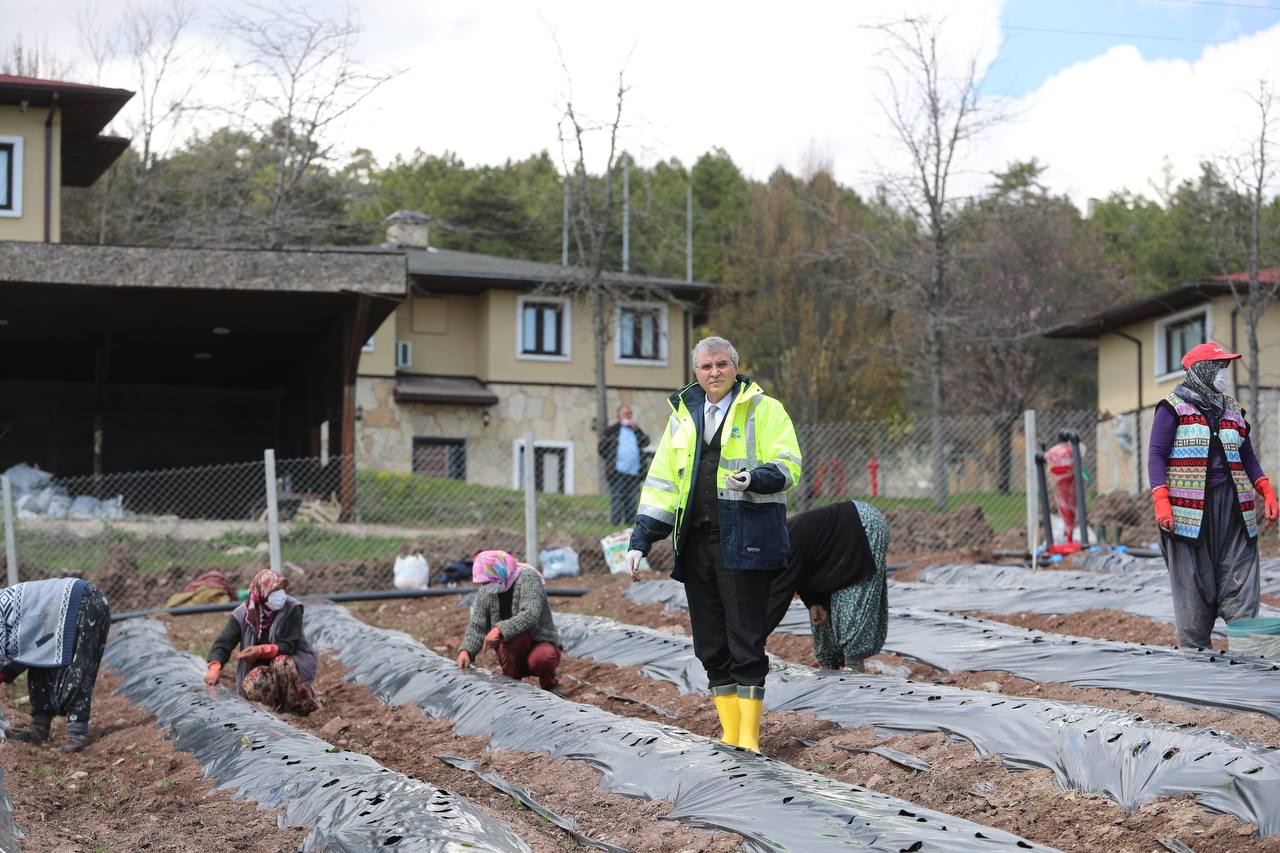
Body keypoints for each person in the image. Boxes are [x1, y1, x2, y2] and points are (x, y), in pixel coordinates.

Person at [623, 336, 802, 754]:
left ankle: (750, 740)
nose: (714, 373)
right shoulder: (684, 417)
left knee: (745, 640)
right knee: (709, 643)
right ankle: (729, 734)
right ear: (696, 373)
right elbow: (663, 483)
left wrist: (756, 477)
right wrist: (641, 540)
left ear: (734, 366)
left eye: (721, 365)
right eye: (706, 367)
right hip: (696, 543)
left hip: (745, 542)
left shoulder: (765, 408)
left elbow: (789, 462)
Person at [1149, 341, 1279, 649]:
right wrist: (1161, 499)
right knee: (1193, 592)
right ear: (1202, 369)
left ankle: (1248, 657)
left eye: (1226, 367)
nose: (1224, 373)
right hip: (1189, 514)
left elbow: (1247, 456)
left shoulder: (1232, 409)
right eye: (1219, 366)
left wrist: (1265, 489)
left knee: (1241, 581)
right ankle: (1197, 666)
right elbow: (1156, 454)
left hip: (1234, 511)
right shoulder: (1172, 407)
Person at [765, 501, 890, 671]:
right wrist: (814, 602)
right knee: (820, 615)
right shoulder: (776, 548)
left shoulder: (784, 544)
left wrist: (754, 638)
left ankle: (854, 668)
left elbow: (778, 597)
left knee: (850, 596)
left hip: (861, 524)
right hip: (834, 547)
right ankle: (831, 668)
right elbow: (806, 569)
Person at [0, 577, 111, 752]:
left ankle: (77, 734)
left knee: (77, 667)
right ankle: (40, 729)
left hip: (83, 601)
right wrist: (7, 672)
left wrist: (5, 672)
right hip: (59, 610)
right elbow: (26, 651)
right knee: (38, 660)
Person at [205, 569, 319, 715]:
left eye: (282, 589)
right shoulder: (243, 614)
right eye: (275, 590)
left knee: (281, 663)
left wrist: (261, 650)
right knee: (254, 681)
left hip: (292, 661)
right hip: (259, 667)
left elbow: (290, 644)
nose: (280, 594)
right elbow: (223, 643)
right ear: (261, 593)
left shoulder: (293, 608)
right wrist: (215, 667)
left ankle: (298, 708)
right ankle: (273, 711)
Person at [457, 550, 562, 690]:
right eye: (483, 582)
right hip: (512, 649)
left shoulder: (527, 578)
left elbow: (530, 613)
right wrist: (466, 651)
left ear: (500, 572)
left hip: (539, 643)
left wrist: (499, 629)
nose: (485, 585)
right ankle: (511, 688)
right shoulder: (486, 591)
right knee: (512, 640)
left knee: (543, 658)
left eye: (488, 581)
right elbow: (478, 625)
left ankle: (550, 686)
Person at [599, 404, 650, 526]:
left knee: (631, 500)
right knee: (617, 498)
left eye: (630, 414)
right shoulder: (612, 430)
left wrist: (636, 428)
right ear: (619, 416)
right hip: (617, 472)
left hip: (634, 472)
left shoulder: (635, 430)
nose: (629, 416)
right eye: (626, 414)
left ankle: (629, 525)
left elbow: (646, 442)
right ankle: (615, 524)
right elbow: (601, 449)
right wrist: (612, 458)